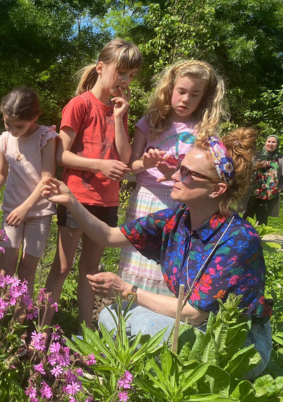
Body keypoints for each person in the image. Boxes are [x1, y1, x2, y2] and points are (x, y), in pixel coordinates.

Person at [42, 127, 272, 380]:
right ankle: (146, 375)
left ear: (217, 190)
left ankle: (138, 381)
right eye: (179, 167)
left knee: (142, 327)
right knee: (112, 315)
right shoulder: (178, 219)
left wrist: (128, 291)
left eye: (187, 173)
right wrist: (71, 201)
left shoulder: (238, 239)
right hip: (192, 323)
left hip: (236, 342)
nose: (174, 175)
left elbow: (196, 313)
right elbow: (108, 236)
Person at [43, 38, 142, 329]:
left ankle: (86, 333)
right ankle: (40, 330)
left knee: (90, 270)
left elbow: (125, 158)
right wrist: (99, 164)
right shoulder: (79, 104)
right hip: (77, 197)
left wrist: (121, 116)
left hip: (107, 202)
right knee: (62, 266)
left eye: (131, 76)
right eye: (121, 72)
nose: (125, 81)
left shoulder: (119, 109)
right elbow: (61, 154)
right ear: (101, 67)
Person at [120, 60, 226, 296]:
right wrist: (145, 164)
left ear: (204, 98)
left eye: (194, 94)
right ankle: (127, 316)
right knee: (137, 260)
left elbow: (209, 174)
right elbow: (131, 165)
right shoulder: (149, 122)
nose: (185, 99)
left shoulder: (204, 130)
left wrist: (177, 173)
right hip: (146, 199)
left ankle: (164, 321)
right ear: (170, 90)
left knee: (168, 264)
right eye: (181, 91)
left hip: (181, 204)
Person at [0, 88, 57, 296]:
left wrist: (25, 208)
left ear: (35, 117)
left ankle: (20, 323)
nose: (12, 130)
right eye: (7, 123)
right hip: (12, 211)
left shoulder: (46, 137)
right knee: (5, 268)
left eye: (19, 126)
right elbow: (2, 174)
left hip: (39, 213)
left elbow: (47, 179)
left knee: (27, 270)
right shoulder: (5, 140)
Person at [244, 135, 283, 225]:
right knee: (247, 216)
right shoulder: (256, 156)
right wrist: (256, 167)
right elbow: (246, 171)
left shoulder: (280, 159)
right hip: (253, 192)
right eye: (269, 141)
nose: (271, 144)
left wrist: (279, 188)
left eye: (274, 142)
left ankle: (258, 237)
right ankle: (244, 236)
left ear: (277, 145)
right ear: (265, 143)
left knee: (262, 218)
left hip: (269, 194)